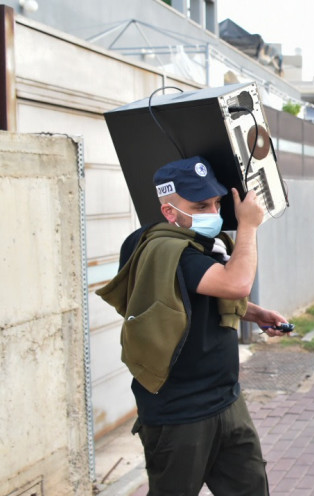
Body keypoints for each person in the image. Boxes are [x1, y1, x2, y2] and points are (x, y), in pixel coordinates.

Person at [97, 156, 288, 495]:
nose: (213, 213)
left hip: (226, 400)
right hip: (180, 415)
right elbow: (235, 284)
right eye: (200, 205)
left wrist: (255, 314)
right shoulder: (166, 250)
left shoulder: (198, 247)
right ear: (169, 212)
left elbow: (206, 292)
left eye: (216, 203)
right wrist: (248, 226)